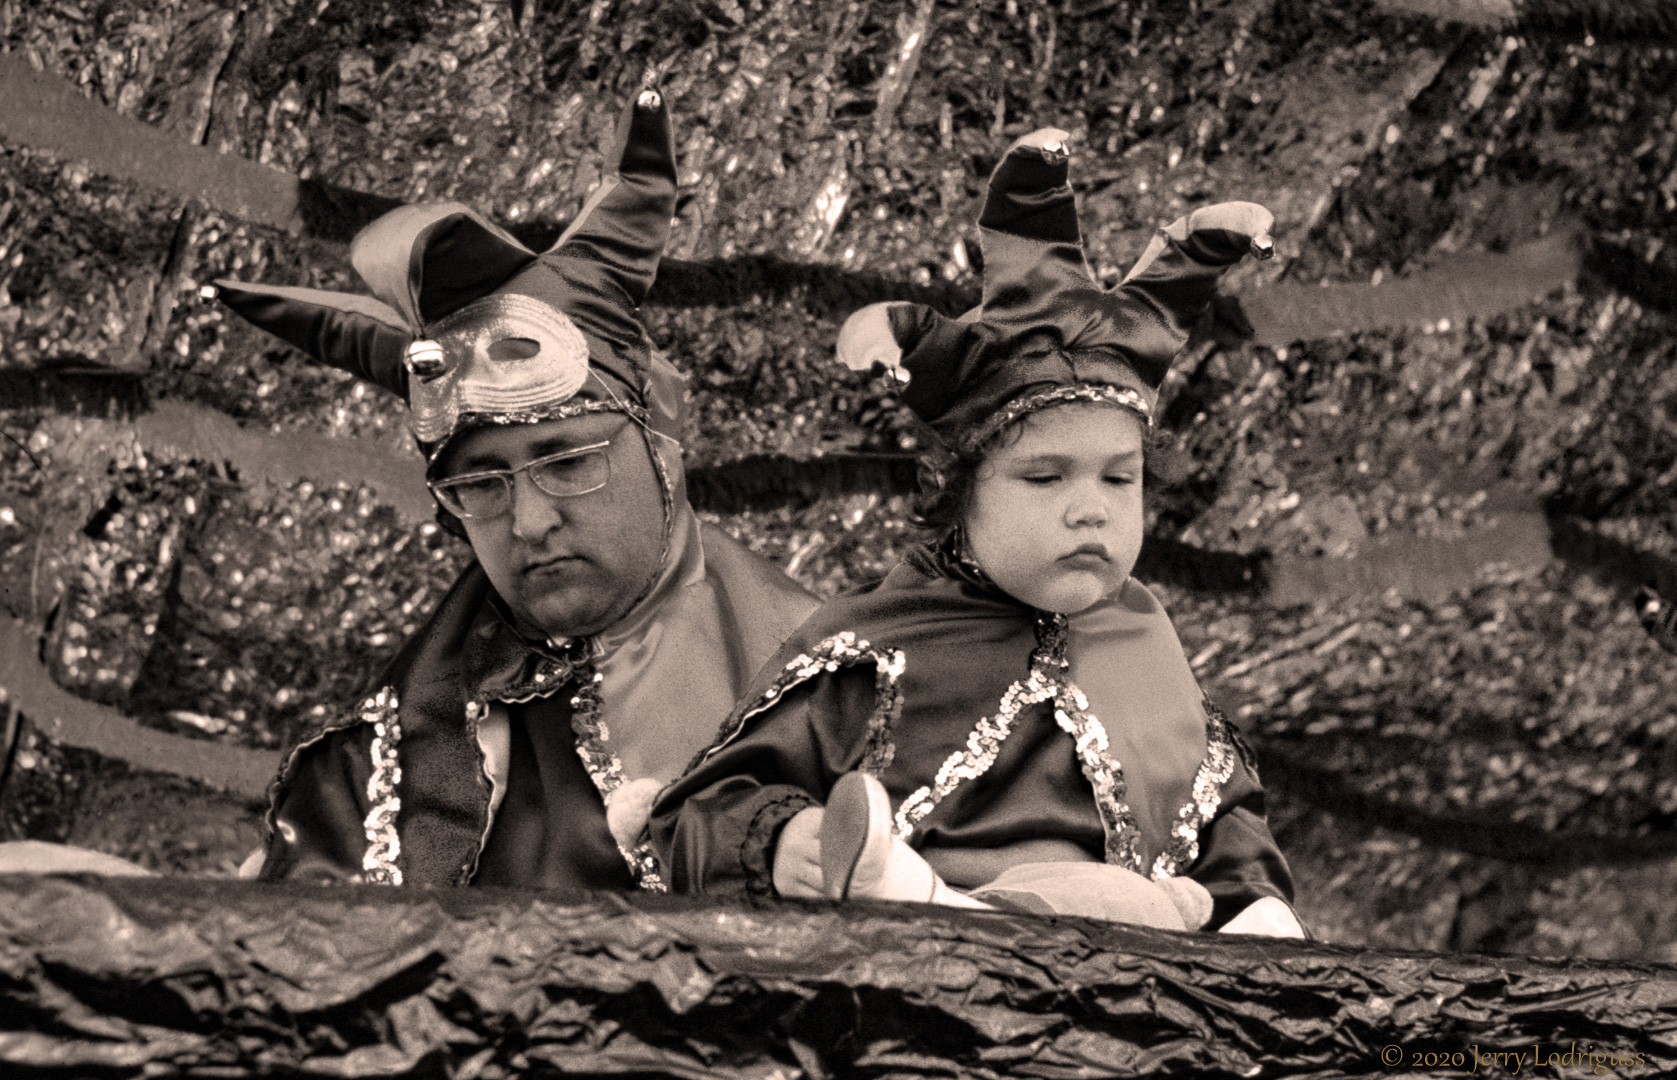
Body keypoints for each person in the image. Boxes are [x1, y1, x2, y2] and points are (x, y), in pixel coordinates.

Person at [650, 129, 1303, 935]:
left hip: (1148, 986)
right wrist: (780, 841)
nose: (1090, 507)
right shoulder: (878, 645)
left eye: (1117, 478)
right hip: (933, 974)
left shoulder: (1150, 654)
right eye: (1044, 476)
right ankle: (911, 889)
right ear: (958, 493)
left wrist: (1251, 908)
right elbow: (698, 815)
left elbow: (1230, 828)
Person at [208, 90, 818, 888]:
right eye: (480, 485)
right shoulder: (394, 751)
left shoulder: (831, 688)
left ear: (662, 451)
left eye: (567, 463)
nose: (528, 522)